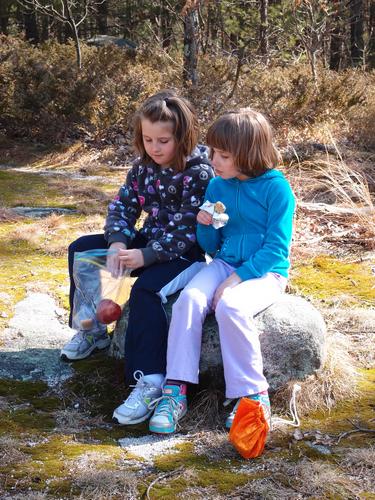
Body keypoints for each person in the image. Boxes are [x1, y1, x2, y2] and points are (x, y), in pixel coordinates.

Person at [61, 90, 214, 425]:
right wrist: (117, 243)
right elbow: (123, 207)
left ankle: (149, 380)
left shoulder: (200, 173)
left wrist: (146, 256)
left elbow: (190, 228)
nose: (155, 148)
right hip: (148, 241)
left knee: (146, 290)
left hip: (183, 255)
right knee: (81, 249)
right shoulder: (142, 167)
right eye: (147, 140)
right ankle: (93, 330)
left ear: (182, 136)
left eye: (163, 140)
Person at [148, 108, 296, 435]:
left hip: (265, 273)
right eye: (213, 151)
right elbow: (213, 247)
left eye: (223, 155)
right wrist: (205, 226)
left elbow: (276, 248)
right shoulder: (217, 188)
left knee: (231, 306)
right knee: (189, 300)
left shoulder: (277, 189)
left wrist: (235, 280)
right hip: (223, 262)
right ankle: (177, 390)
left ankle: (252, 396)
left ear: (248, 154)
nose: (213, 159)